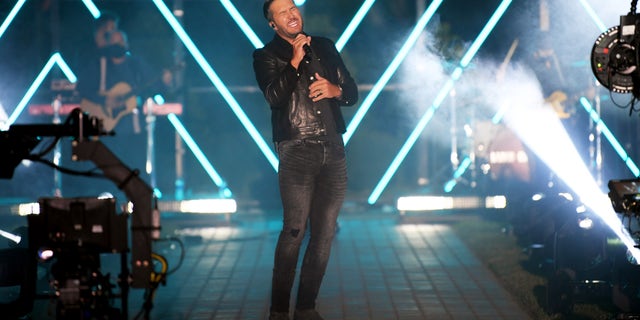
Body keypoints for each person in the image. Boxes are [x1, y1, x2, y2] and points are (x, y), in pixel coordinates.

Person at [252, 1, 358, 319]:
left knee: (324, 232)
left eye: (293, 7)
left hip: (333, 148)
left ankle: (306, 307)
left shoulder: (324, 46)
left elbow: (352, 93)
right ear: (273, 24)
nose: (292, 14)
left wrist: (335, 89)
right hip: (296, 149)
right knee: (294, 231)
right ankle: (279, 310)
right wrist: (295, 61)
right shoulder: (265, 55)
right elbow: (274, 97)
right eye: (283, 12)